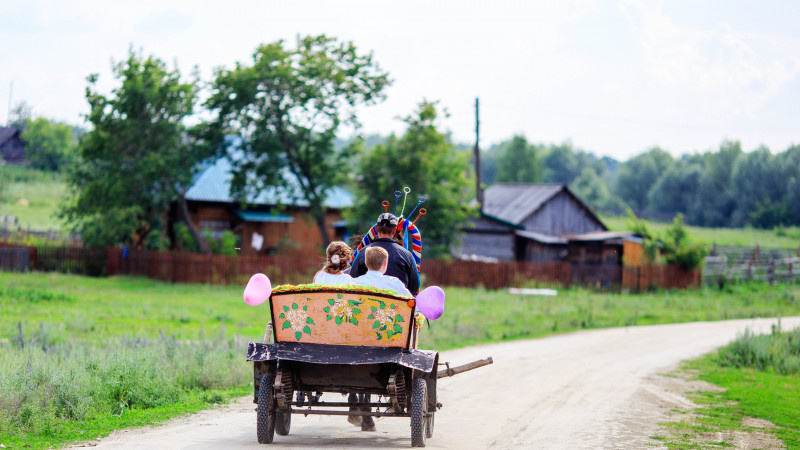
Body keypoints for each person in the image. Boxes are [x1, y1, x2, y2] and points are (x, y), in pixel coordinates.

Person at [350, 213, 419, 295]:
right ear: (394, 231)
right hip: (397, 305)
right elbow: (414, 286)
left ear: (377, 229)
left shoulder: (363, 252)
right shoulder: (406, 255)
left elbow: (353, 278)